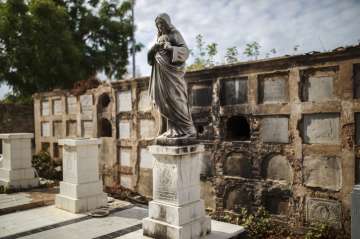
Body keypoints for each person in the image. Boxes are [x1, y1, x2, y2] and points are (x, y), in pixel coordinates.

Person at [148, 13, 196, 139]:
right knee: (164, 100)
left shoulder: (175, 34)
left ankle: (188, 130)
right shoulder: (159, 37)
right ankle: (172, 130)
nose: (160, 27)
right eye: (158, 25)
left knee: (174, 98)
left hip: (172, 74)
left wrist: (171, 48)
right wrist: (154, 48)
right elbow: (150, 59)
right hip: (160, 73)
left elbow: (185, 51)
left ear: (167, 23)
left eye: (162, 24)